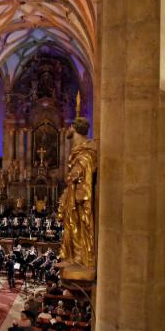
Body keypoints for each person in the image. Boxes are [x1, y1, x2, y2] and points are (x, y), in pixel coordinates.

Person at [57, 112, 97, 268]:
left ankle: (79, 258)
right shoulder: (78, 149)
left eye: (70, 126)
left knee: (77, 226)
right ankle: (72, 257)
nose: (68, 129)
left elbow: (83, 169)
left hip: (80, 195)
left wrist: (75, 175)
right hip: (73, 193)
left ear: (74, 128)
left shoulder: (86, 151)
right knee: (71, 225)